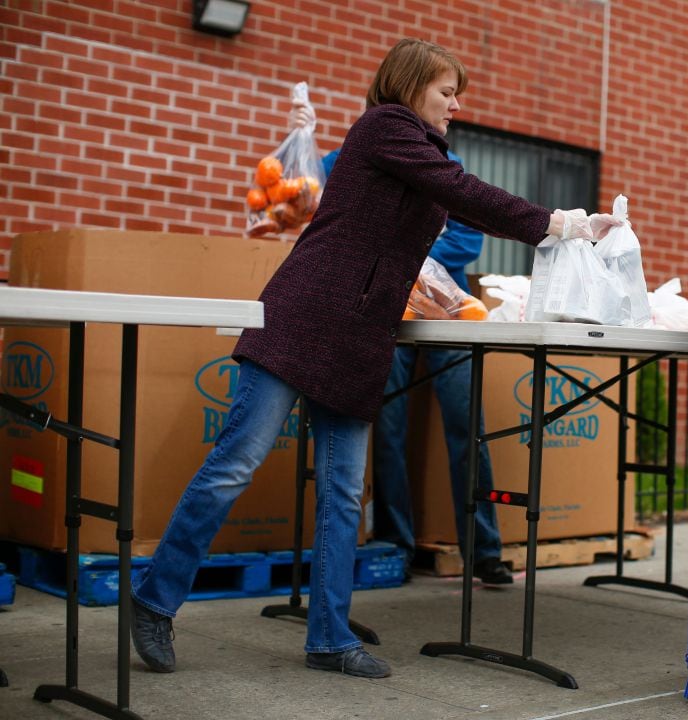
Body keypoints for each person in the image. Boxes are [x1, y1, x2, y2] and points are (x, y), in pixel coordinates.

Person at [130, 37, 621, 680]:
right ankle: (154, 601)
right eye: (447, 92)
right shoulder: (386, 128)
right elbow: (463, 191)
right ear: (411, 85)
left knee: (339, 493)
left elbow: (444, 206)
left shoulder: (415, 148)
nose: (454, 106)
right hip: (303, 318)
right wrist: (563, 223)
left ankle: (330, 638)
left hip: (359, 336)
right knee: (236, 462)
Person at [289, 100, 512, 585]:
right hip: (382, 310)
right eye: (445, 92)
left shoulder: (447, 166)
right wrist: (300, 143)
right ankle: (396, 545)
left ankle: (483, 549)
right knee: (385, 425)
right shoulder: (358, 150)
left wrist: (402, 249)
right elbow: (304, 196)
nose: (453, 105)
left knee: (465, 426)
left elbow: (466, 242)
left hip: (447, 308)